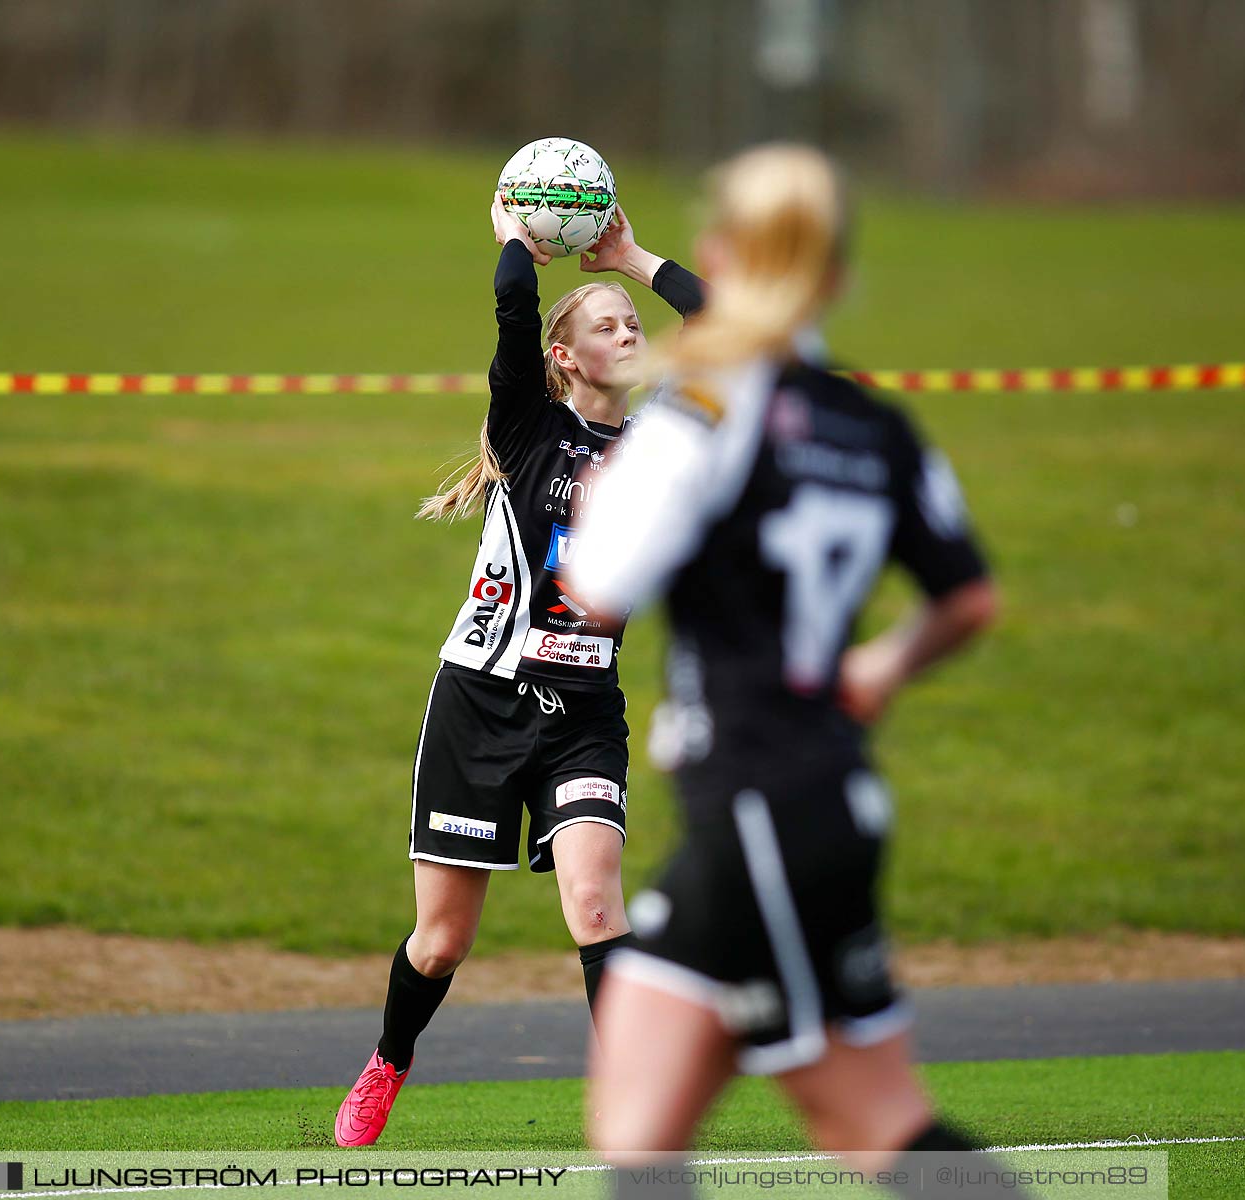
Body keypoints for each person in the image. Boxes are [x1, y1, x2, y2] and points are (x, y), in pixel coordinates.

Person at [569, 145, 1019, 1198]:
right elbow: (970, 598)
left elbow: (597, 585)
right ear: (837, 280)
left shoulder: (705, 411)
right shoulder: (876, 423)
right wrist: (880, 666)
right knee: (637, 1116)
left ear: (724, 252)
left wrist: (605, 499)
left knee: (875, 1123)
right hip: (813, 800)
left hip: (763, 808)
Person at [332, 192, 706, 1148]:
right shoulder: (529, 427)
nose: (630, 333)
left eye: (633, 326)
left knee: (593, 899)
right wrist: (515, 243)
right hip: (482, 700)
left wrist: (632, 260)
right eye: (609, 327)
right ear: (565, 357)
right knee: (443, 939)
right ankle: (388, 1062)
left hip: (586, 709)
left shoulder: (663, 440)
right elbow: (509, 312)